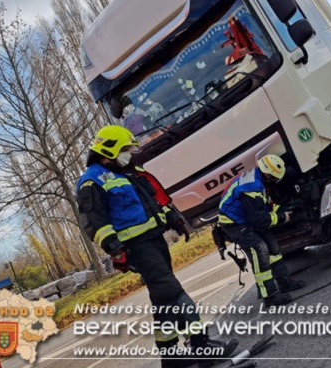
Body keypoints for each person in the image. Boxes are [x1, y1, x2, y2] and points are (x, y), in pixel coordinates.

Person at [77, 125, 238, 368]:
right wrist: (115, 248)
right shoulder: (91, 181)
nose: (130, 154)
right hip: (137, 248)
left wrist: (173, 219)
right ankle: (200, 344)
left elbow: (153, 201)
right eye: (125, 149)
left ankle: (172, 357)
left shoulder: (127, 174)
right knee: (174, 293)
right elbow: (93, 221)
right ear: (109, 150)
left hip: (154, 241)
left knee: (163, 299)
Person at [218, 155, 305, 307]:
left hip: (245, 219)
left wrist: (283, 209)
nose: (274, 181)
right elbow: (261, 220)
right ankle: (269, 296)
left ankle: (285, 283)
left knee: (272, 247)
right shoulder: (251, 187)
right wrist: (283, 217)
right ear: (268, 174)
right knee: (260, 251)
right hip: (234, 224)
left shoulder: (257, 179)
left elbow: (263, 206)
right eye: (273, 178)